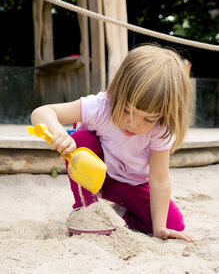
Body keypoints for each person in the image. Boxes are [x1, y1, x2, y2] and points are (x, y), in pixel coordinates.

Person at [31, 44, 195, 242]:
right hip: (97, 176)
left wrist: (159, 227)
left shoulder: (161, 128)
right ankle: (87, 210)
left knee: (173, 226)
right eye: (127, 110)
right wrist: (58, 133)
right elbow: (42, 112)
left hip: (133, 185)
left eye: (148, 119)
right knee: (81, 140)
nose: (132, 124)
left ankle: (120, 215)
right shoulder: (101, 106)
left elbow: (159, 179)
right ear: (117, 92)